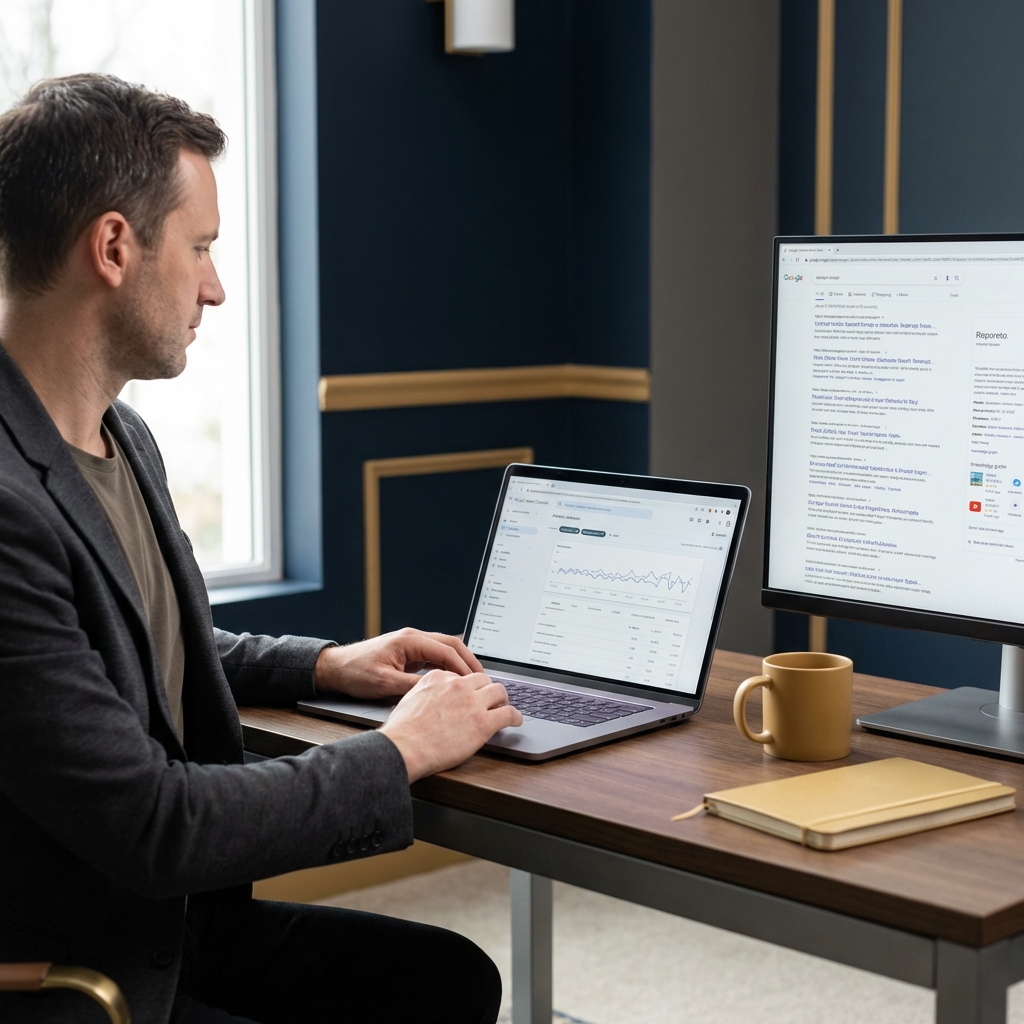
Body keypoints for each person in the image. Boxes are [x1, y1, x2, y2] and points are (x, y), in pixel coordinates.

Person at [0, 74, 523, 1024]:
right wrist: (398, 753)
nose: (216, 285)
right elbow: (156, 825)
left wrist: (328, 663)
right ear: (114, 247)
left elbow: (126, 653)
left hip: (170, 926)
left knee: (450, 981)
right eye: (199, 247)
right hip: (89, 976)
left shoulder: (120, 437)